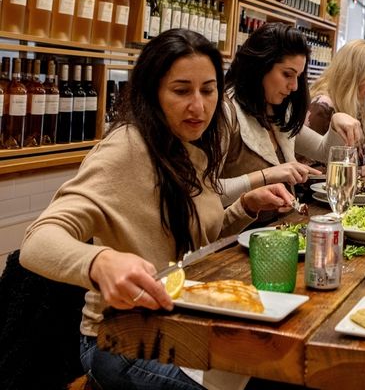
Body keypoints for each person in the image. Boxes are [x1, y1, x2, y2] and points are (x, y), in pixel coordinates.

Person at [19, 29, 295, 389]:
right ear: (152, 92)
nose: (198, 106)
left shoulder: (188, 147)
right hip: (119, 339)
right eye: (181, 91)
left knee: (274, 369)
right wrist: (98, 262)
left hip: (176, 325)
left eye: (208, 90)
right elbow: (38, 240)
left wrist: (244, 206)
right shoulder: (127, 149)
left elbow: (193, 239)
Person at [219, 24, 365, 205]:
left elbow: (323, 151)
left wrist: (335, 123)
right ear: (259, 67)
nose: (294, 86)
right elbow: (206, 195)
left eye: (298, 77)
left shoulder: (277, 112)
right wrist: (267, 175)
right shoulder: (226, 113)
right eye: (287, 74)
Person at [306, 39, 365, 176]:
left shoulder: (348, 103)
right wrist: (359, 171)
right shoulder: (322, 107)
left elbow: (346, 153)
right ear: (353, 76)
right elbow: (307, 172)